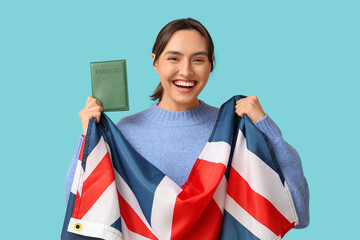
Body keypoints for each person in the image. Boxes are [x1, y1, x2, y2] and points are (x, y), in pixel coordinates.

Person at [65, 18, 309, 229]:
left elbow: (296, 209)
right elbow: (79, 211)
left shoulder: (233, 131)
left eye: (198, 60)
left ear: (211, 63)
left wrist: (266, 128)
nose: (186, 71)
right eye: (174, 58)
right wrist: (89, 138)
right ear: (155, 62)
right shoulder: (126, 132)